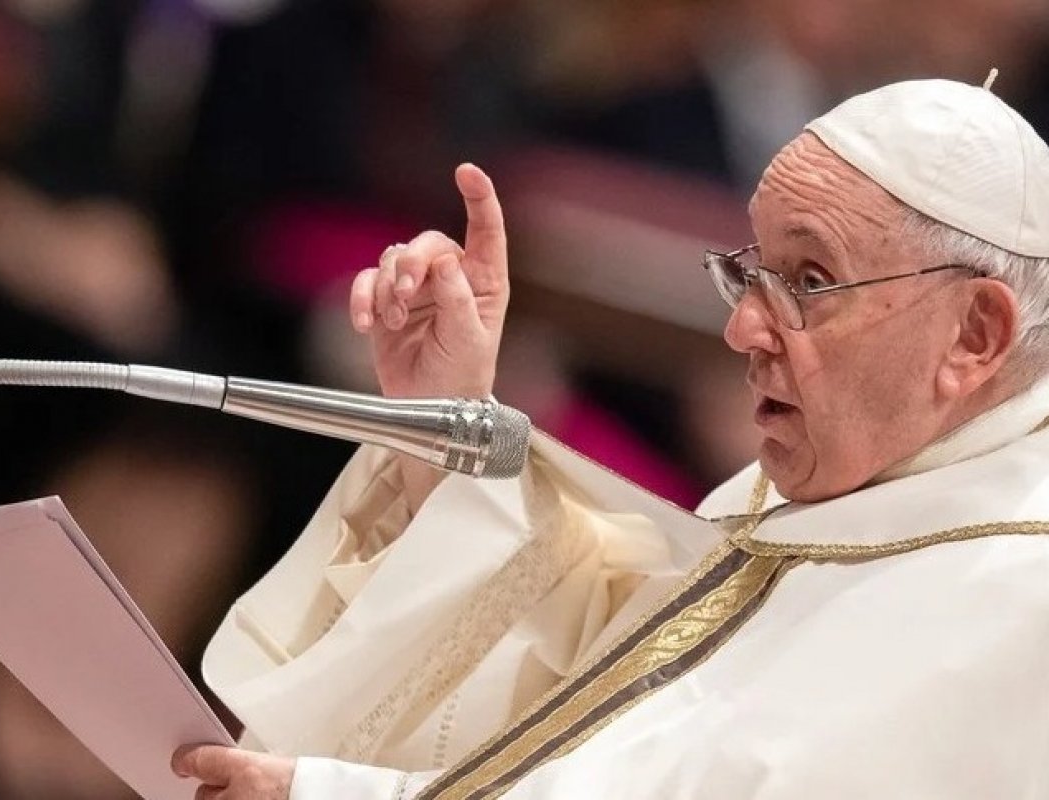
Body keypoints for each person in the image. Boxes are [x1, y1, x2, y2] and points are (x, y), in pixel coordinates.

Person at [171, 76, 1049, 798]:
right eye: (750, 270)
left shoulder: (1013, 604)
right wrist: (446, 420)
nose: (743, 328)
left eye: (809, 280)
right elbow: (587, 674)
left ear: (973, 336)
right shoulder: (824, 487)